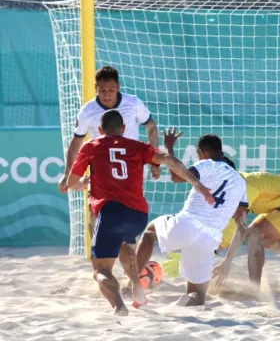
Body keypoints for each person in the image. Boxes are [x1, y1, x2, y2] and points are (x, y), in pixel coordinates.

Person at [67, 110, 212, 315]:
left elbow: (71, 182)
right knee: (125, 245)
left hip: (110, 212)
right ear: (124, 129)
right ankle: (137, 289)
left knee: (101, 270)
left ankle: (119, 306)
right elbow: (170, 160)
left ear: (99, 130)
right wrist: (196, 184)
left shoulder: (91, 146)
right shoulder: (137, 146)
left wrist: (83, 182)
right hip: (137, 215)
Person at [134, 129, 247, 306]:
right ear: (222, 153)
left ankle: (133, 284)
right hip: (211, 238)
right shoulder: (241, 182)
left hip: (188, 223)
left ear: (203, 153)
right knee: (197, 295)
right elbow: (241, 218)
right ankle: (176, 309)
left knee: (150, 232)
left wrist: (169, 147)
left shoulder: (208, 164)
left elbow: (175, 176)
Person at [58, 65, 160, 242]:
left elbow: (151, 127)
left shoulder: (133, 103)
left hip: (130, 167)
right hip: (100, 167)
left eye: (111, 90)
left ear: (118, 87)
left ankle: (129, 260)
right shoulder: (88, 111)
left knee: (128, 214)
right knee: (94, 212)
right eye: (102, 90)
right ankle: (98, 261)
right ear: (95, 88)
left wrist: (154, 161)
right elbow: (76, 142)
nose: (106, 95)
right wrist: (67, 172)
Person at [212, 170, 280, 288]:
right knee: (256, 236)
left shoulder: (244, 188)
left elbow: (238, 228)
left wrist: (226, 262)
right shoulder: (232, 186)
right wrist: (212, 253)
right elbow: (230, 229)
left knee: (253, 235)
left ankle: (254, 289)